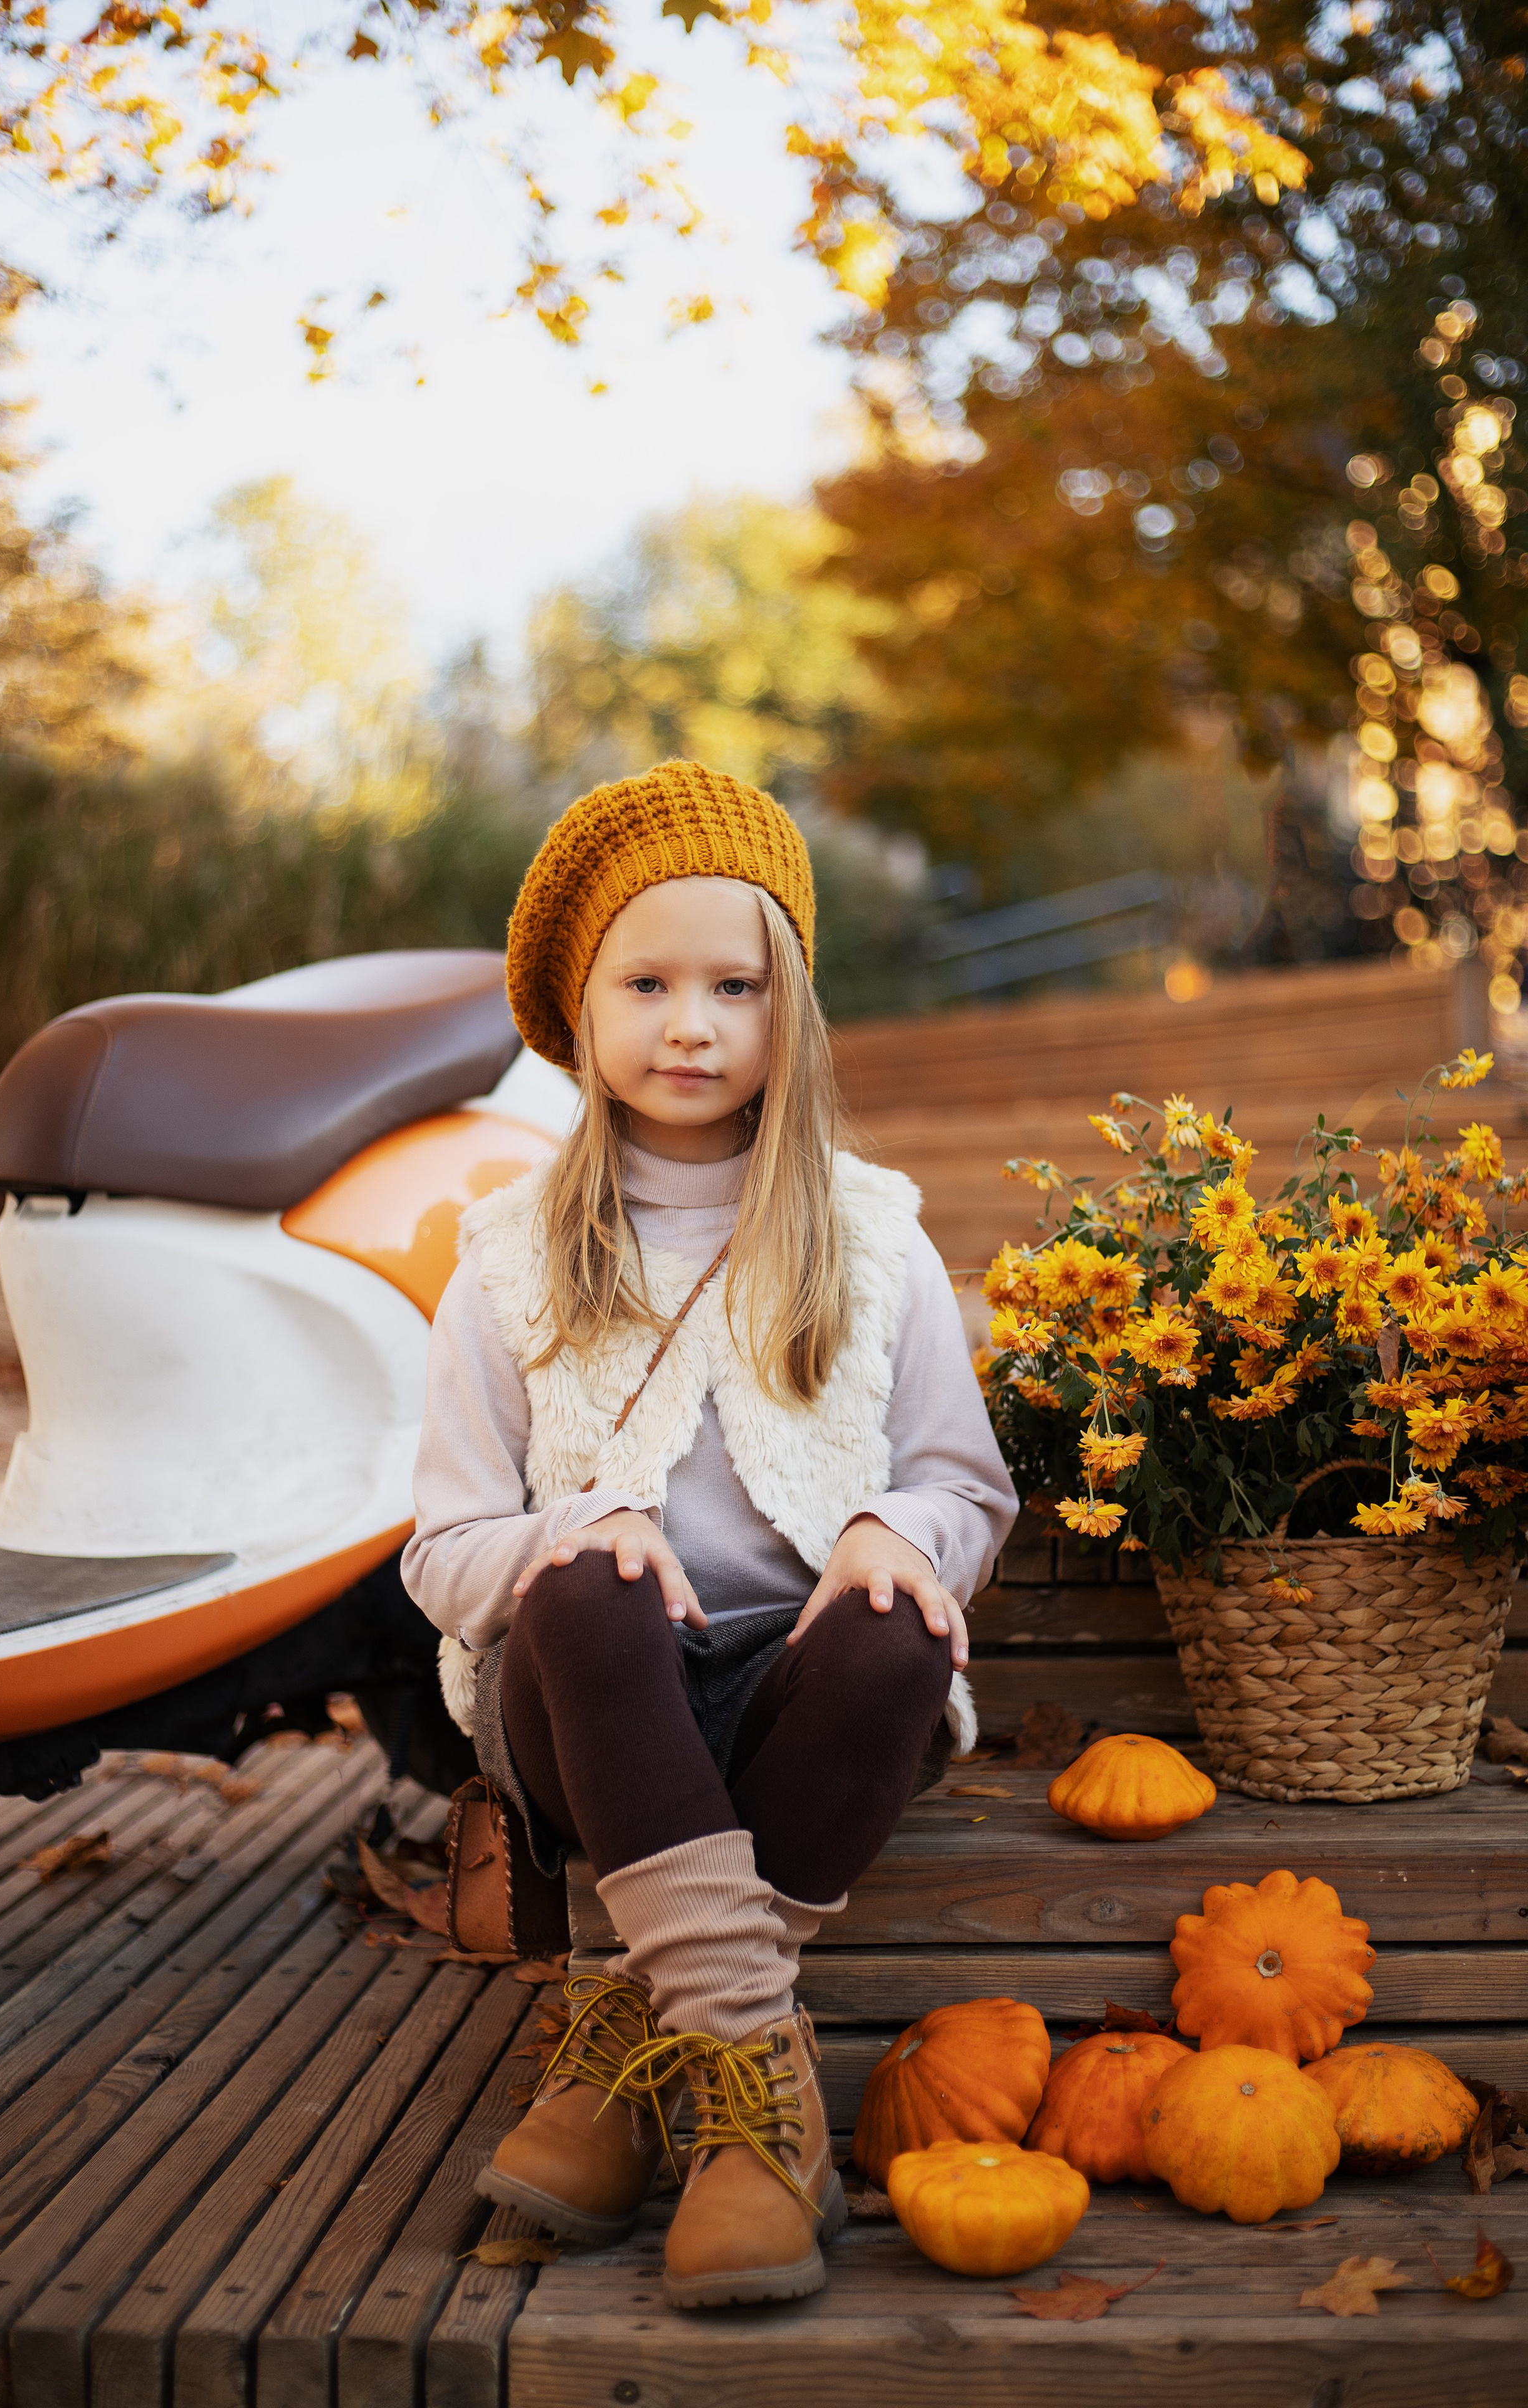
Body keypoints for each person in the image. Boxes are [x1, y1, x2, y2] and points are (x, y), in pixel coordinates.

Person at [403, 761, 1018, 2310]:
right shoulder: (506, 1259)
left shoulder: (871, 1235)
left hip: (797, 1702)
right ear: (579, 1007)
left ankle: (627, 2042)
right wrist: (570, 1532)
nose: (692, 1024)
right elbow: (439, 1550)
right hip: (589, 1699)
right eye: (649, 982)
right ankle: (756, 2089)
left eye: (734, 985)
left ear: (786, 1008)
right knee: (593, 1583)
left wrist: (891, 1529)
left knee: (893, 1630)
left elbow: (969, 1490)